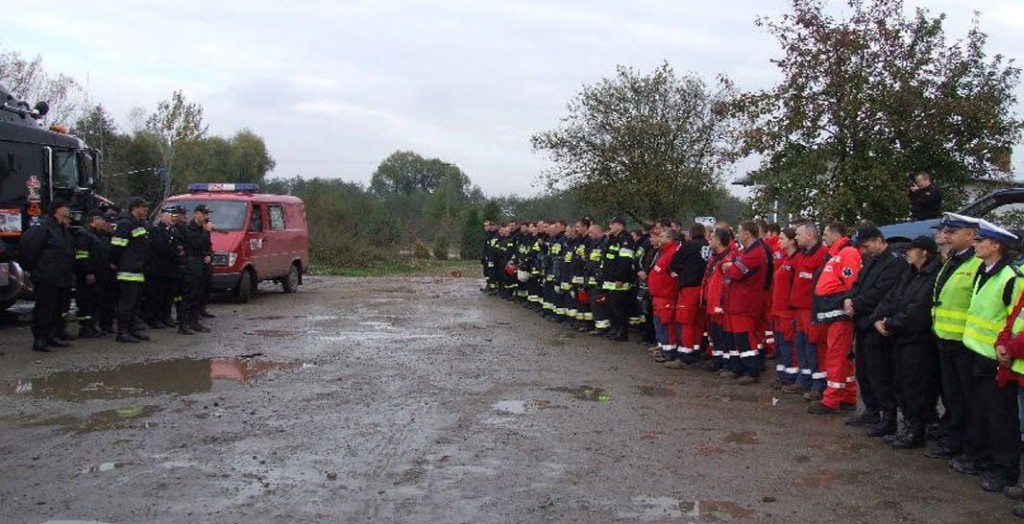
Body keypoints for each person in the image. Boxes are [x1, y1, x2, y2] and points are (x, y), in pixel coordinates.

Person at [961, 219, 1023, 493]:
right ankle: (984, 459)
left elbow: (1014, 320)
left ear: (995, 245)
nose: (975, 244)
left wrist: (1005, 349)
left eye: (980, 241)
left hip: (997, 359)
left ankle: (1005, 471)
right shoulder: (984, 272)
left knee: (1002, 418)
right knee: (981, 412)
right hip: (977, 353)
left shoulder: (1010, 277)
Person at [869, 235, 941, 448]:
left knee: (915, 386)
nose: (907, 253)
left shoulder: (931, 275)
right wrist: (878, 318)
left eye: (911, 249)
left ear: (924, 252)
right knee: (901, 383)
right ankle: (909, 426)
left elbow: (917, 309)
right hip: (901, 339)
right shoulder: (909, 273)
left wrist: (890, 323)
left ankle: (917, 431)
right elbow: (892, 298)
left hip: (918, 341)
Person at [930, 213, 984, 463]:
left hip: (965, 343)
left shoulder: (976, 264)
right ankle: (954, 440)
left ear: (970, 235)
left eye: (953, 232)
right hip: (945, 339)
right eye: (948, 232)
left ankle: (970, 447)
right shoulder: (952, 260)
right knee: (952, 397)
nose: (947, 236)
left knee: (968, 399)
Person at [843, 225, 906, 434]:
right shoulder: (871, 260)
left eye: (866, 246)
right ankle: (871, 409)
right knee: (863, 370)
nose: (863, 250)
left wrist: (856, 304)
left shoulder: (895, 263)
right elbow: (858, 284)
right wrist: (849, 299)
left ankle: (888, 416)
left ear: (879, 240)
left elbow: (882, 291)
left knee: (880, 372)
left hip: (876, 324)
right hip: (862, 322)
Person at [809, 222, 862, 414]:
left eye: (825, 233)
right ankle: (846, 396)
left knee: (836, 356)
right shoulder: (836, 254)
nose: (823, 237)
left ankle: (831, 400)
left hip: (839, 314)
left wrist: (847, 300)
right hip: (832, 312)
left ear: (835, 234)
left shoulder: (847, 253)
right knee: (841, 357)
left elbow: (852, 283)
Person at [18, 200, 74, 352]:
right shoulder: (43, 226)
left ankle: (52, 335)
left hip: (61, 277)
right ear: (58, 210)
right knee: (44, 308)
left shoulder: (61, 228)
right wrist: (33, 268)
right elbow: (27, 247)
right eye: (66, 208)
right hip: (47, 276)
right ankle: (40, 339)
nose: (69, 211)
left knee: (57, 309)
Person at [720, 221, 772, 385]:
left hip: (745, 303)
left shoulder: (756, 253)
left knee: (745, 338)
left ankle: (751, 370)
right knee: (735, 338)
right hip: (736, 302)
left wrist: (730, 266)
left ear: (747, 234)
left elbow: (736, 272)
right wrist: (730, 265)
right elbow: (731, 266)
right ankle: (737, 367)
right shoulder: (746, 251)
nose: (737, 234)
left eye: (739, 231)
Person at [784, 221, 831, 397]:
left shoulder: (822, 255)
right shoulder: (803, 254)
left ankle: (819, 385)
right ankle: (804, 380)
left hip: (812, 310)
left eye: (799, 234)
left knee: (814, 348)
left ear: (810, 235)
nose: (796, 238)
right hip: (799, 309)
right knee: (801, 346)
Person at [667, 222, 710, 367]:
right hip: (704, 289)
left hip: (689, 288)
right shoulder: (709, 246)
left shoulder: (689, 246)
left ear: (691, 234)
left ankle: (685, 355)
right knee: (698, 322)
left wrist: (682, 272)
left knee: (686, 322)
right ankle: (696, 350)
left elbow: (674, 263)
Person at [111, 196, 152, 343]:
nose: (146, 209)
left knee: (136, 303)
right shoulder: (125, 223)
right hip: (128, 270)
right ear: (135, 208)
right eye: (144, 207)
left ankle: (132, 329)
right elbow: (117, 246)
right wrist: (116, 262)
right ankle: (122, 332)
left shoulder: (139, 223)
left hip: (138, 269)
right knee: (127, 303)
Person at [144, 206, 185, 329]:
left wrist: (178, 251)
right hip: (158, 269)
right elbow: (162, 248)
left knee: (169, 296)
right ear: (163, 216)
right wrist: (176, 252)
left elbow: (180, 245)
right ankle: (153, 319)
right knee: (157, 296)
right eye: (171, 215)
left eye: (175, 216)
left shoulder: (175, 231)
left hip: (171, 269)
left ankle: (166, 317)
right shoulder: (156, 230)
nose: (174, 218)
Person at [73, 210, 112, 339]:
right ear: (95, 219)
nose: (104, 223)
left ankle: (92, 326)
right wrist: (88, 272)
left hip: (99, 275)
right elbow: (82, 256)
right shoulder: (83, 234)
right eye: (102, 220)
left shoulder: (98, 235)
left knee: (95, 302)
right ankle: (85, 327)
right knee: (86, 302)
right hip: (88, 276)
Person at [771, 228, 800, 387]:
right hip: (778, 310)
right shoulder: (785, 259)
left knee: (789, 346)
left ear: (792, 241)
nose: (779, 241)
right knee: (781, 345)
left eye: (782, 238)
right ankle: (783, 375)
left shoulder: (797, 260)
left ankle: (791, 378)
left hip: (788, 312)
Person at [602, 217, 637, 342]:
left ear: (619, 225)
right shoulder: (613, 239)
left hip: (619, 281)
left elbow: (625, 261)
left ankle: (622, 332)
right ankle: (615, 329)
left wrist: (620, 277)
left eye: (612, 224)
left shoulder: (625, 239)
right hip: (610, 279)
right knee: (611, 307)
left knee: (619, 308)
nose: (609, 227)